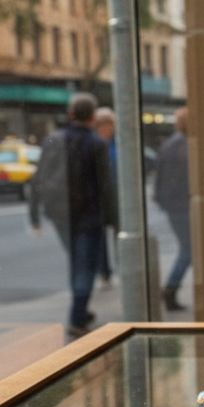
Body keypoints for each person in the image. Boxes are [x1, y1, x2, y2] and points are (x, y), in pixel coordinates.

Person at [28, 92, 117, 337]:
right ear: (92, 117)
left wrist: (34, 216)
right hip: (89, 215)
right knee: (85, 266)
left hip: (60, 214)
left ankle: (81, 310)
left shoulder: (52, 141)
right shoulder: (96, 144)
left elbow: (37, 179)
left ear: (70, 115)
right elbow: (105, 186)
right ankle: (77, 317)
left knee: (77, 262)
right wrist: (113, 219)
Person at [154, 106, 191, 311]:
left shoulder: (170, 144)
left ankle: (170, 289)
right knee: (189, 250)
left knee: (188, 249)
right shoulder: (184, 145)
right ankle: (170, 288)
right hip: (182, 205)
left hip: (173, 205)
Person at [92, 106, 118, 289]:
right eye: (101, 125)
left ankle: (123, 267)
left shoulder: (118, 144)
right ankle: (104, 273)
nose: (105, 129)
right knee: (99, 239)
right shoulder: (92, 144)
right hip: (98, 197)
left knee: (121, 234)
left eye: (108, 125)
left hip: (117, 196)